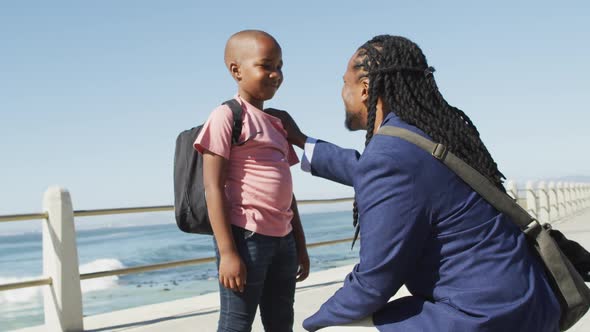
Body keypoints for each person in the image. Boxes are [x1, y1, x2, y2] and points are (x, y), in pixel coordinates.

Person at [267, 35, 561, 331]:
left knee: (333, 328)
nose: (342, 93)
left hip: (484, 317)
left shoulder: (389, 157)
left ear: (366, 89)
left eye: (345, 84)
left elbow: (373, 283)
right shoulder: (436, 134)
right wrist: (303, 141)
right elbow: (374, 172)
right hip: (531, 301)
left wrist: (310, 324)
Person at [194, 29, 310, 332]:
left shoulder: (278, 122)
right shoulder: (226, 116)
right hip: (246, 238)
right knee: (237, 323)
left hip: (282, 239)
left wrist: (300, 243)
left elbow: (287, 191)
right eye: (266, 65)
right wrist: (228, 252)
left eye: (280, 66)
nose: (276, 74)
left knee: (281, 320)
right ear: (236, 70)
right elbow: (212, 187)